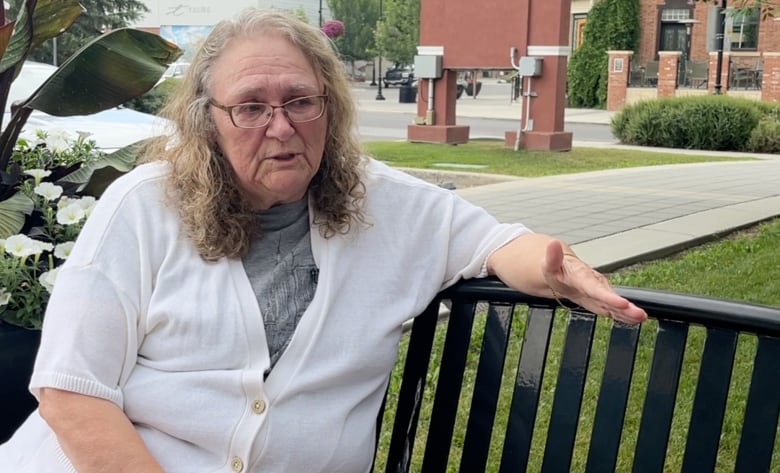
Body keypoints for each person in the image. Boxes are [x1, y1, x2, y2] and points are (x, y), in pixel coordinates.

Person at [0, 8, 646, 473]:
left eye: (301, 101)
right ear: (209, 121)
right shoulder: (144, 206)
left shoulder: (382, 202)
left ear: (329, 108)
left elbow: (499, 241)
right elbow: (72, 391)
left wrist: (555, 267)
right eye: (251, 106)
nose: (281, 127)